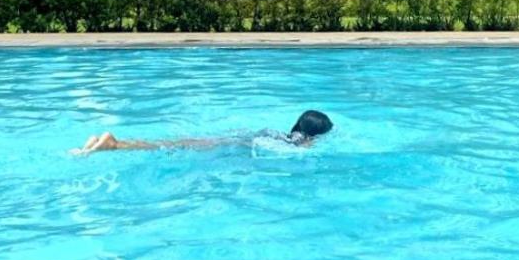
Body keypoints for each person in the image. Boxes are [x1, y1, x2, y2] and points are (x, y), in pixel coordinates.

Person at [73, 109, 333, 154]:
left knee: (173, 143)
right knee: (171, 147)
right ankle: (114, 145)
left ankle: (111, 143)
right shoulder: (295, 144)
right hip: (229, 146)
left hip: (232, 139)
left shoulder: (284, 135)